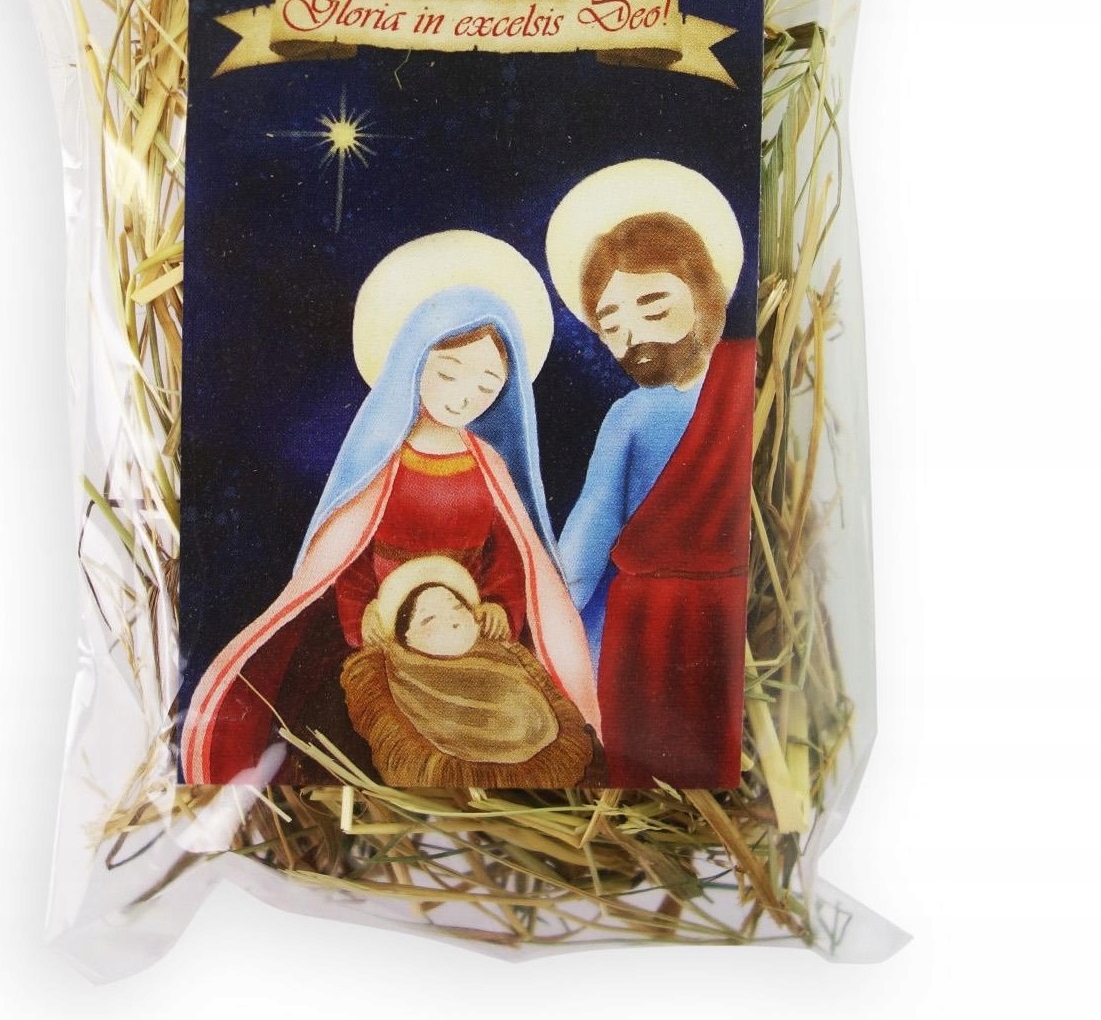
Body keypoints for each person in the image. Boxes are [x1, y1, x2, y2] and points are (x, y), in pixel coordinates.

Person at [180, 230, 599, 786]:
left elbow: (512, 552)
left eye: (487, 385)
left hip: (471, 623)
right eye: (448, 374)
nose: (465, 396)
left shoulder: (490, 464)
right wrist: (366, 619)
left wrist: (500, 605)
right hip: (386, 623)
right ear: (413, 363)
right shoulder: (385, 460)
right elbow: (350, 555)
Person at [546, 160, 755, 790]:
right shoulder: (632, 415)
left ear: (702, 286)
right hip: (650, 623)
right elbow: (589, 536)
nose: (632, 336)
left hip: (698, 617)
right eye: (610, 325)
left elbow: (582, 550)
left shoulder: (749, 382)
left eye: (653, 304)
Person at [339, 555, 595, 788]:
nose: (451, 620)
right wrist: (364, 613)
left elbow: (507, 568)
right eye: (428, 619)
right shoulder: (397, 676)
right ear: (406, 637)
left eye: (456, 607)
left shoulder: (507, 658)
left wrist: (499, 606)